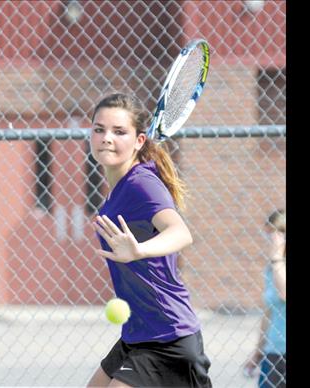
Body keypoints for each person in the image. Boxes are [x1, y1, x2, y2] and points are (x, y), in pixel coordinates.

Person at [86, 93, 212, 388]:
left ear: (139, 140)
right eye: (99, 129)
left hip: (169, 337)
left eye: (119, 132)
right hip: (139, 335)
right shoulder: (119, 188)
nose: (106, 138)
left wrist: (139, 250)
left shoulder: (141, 184)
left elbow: (180, 232)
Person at [243, 209, 286, 388]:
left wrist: (276, 258)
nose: (272, 240)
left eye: (276, 233)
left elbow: (284, 294)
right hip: (274, 352)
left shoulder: (276, 265)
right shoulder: (272, 269)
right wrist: (258, 352)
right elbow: (269, 312)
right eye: (269, 234)